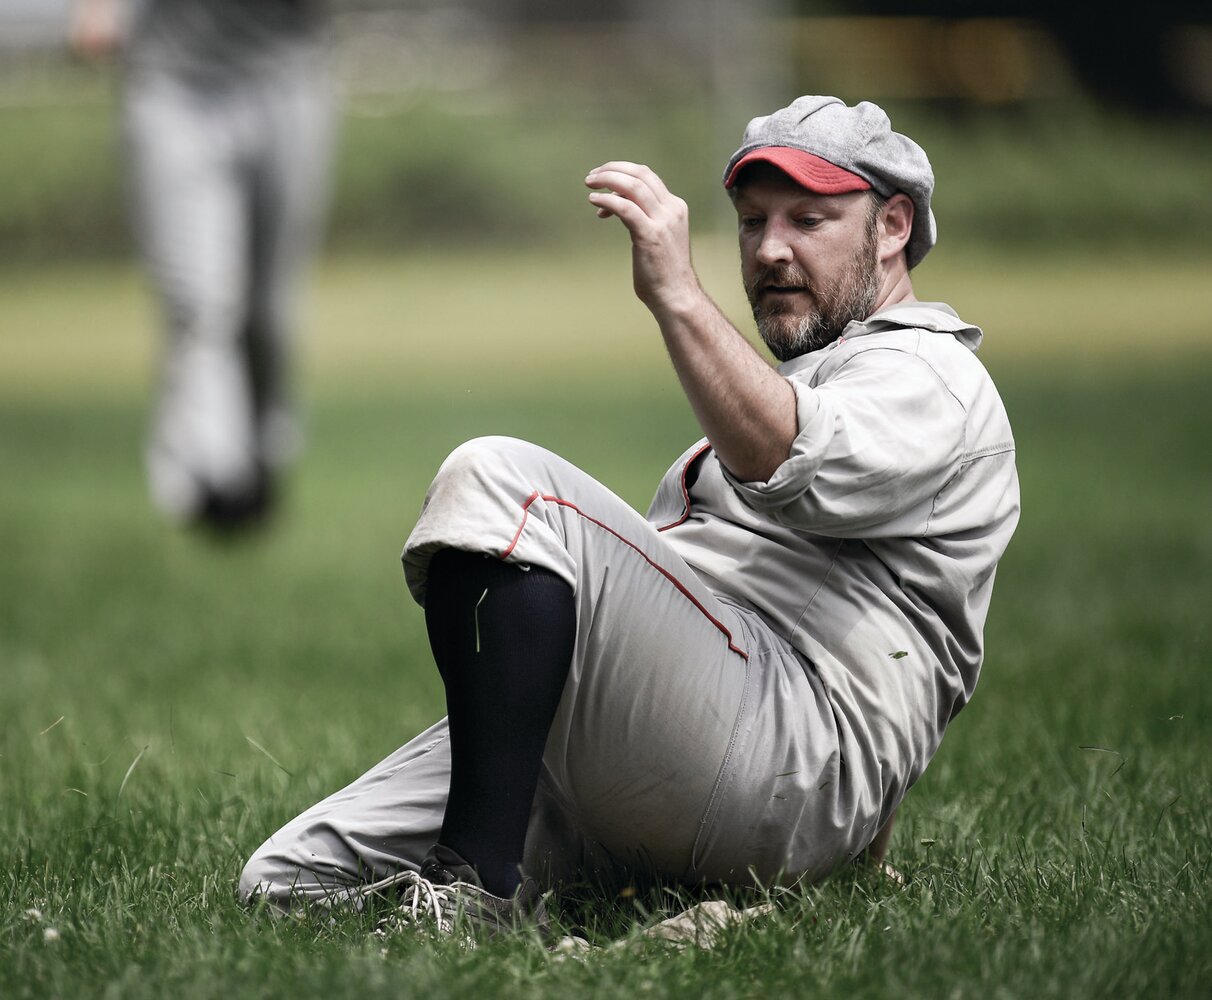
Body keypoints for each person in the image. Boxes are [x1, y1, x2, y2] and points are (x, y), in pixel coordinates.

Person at [238, 95, 1021, 934]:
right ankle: (612, 897)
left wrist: (678, 295)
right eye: (752, 222)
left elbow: (785, 458)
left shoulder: (931, 376)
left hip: (778, 756)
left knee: (503, 482)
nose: (770, 250)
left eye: (809, 219)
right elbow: (888, 622)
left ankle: (471, 894)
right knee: (287, 883)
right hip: (696, 745)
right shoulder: (822, 379)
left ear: (893, 225)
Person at [70, 0, 336, 530]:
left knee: (268, 311)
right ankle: (211, 480)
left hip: (286, 81)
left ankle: (261, 457)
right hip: (173, 87)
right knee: (198, 303)